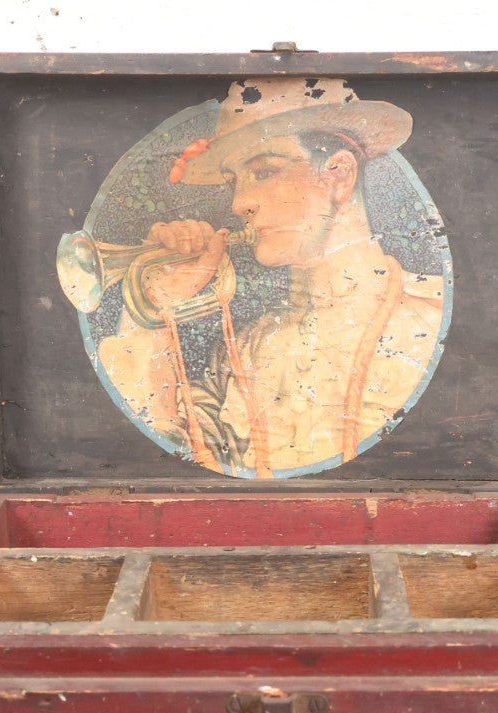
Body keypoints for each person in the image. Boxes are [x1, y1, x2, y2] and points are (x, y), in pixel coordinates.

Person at [62, 77, 445, 478]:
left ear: (338, 175)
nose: (239, 203)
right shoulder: (244, 350)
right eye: (234, 181)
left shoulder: (429, 316)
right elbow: (172, 461)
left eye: (264, 171)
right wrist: (155, 307)